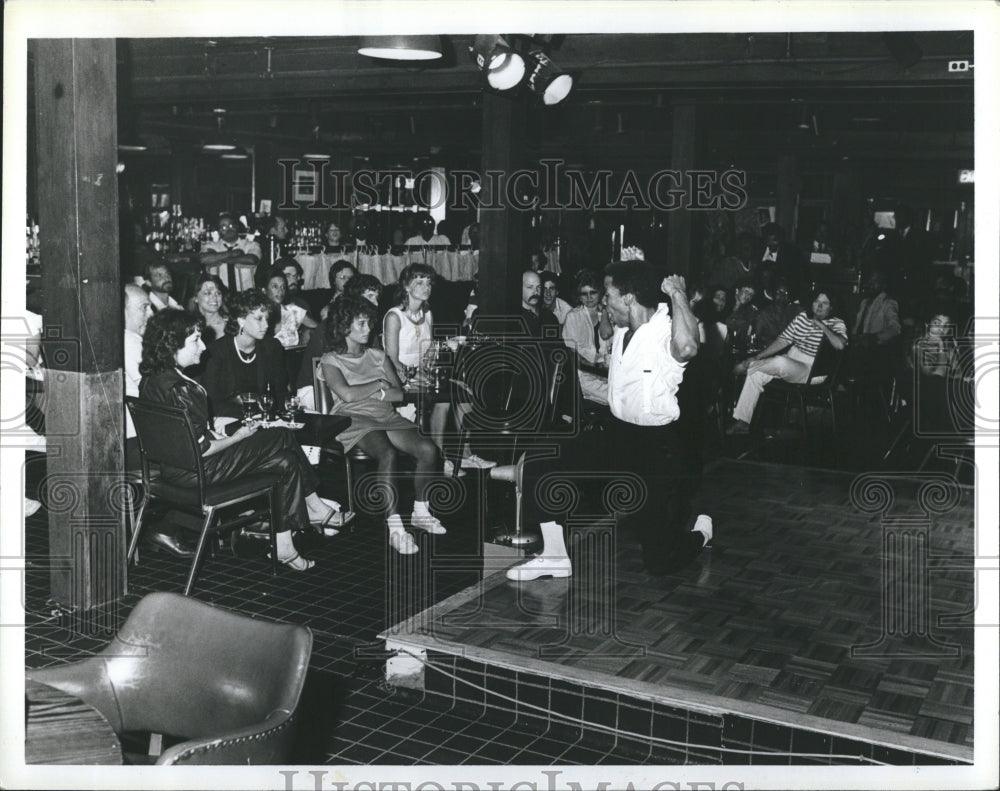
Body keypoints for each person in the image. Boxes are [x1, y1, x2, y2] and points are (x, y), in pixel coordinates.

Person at [505, 260, 713, 580]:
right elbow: (608, 322)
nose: (603, 302)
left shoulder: (664, 330)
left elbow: (687, 346)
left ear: (629, 298)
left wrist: (677, 293)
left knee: (660, 563)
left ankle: (700, 533)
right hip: (617, 434)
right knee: (539, 461)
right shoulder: (622, 327)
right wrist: (633, 266)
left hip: (656, 446)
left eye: (609, 296)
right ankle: (554, 556)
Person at [138, 310, 343, 572]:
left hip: (173, 470)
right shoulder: (185, 389)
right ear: (172, 344)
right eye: (195, 340)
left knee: (285, 461)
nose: (203, 347)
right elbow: (202, 449)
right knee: (280, 435)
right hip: (199, 474)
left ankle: (284, 545)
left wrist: (219, 435)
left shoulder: (152, 380)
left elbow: (181, 439)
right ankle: (314, 505)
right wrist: (239, 436)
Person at [320, 297, 447, 555]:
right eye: (362, 324)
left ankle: (420, 512)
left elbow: (399, 394)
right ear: (345, 327)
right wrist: (379, 385)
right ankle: (396, 529)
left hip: (385, 415)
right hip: (352, 418)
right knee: (387, 453)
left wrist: (377, 392)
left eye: (369, 323)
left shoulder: (378, 355)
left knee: (428, 450)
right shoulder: (331, 359)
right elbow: (348, 395)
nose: (368, 329)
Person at [383, 264, 494, 473]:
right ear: (406, 287)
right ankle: (441, 459)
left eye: (428, 283)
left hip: (420, 374)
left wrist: (447, 344)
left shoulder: (428, 314)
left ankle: (466, 454)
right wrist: (414, 375)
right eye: (419, 282)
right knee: (443, 399)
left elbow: (427, 353)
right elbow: (390, 360)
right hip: (396, 377)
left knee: (464, 391)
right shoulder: (394, 316)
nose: (426, 287)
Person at [124, 284, 194, 557]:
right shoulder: (131, 343)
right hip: (136, 444)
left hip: (137, 439)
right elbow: (163, 392)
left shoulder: (127, 340)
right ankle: (166, 525)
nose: (150, 313)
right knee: (196, 456)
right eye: (143, 307)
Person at [727, 290, 848, 434]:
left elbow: (840, 345)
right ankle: (743, 423)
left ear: (832, 307)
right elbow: (783, 340)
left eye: (825, 303)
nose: (819, 306)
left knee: (780, 361)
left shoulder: (837, 322)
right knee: (757, 374)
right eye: (816, 301)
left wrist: (820, 324)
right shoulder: (802, 317)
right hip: (792, 362)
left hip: (813, 371)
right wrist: (757, 357)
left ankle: (747, 366)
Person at [202, 289, 288, 420]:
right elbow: (211, 402)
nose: (265, 325)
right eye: (259, 319)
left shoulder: (272, 347)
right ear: (241, 320)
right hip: (229, 419)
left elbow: (280, 393)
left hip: (265, 419)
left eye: (266, 318)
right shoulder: (216, 352)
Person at [561, 269, 610, 405]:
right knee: (616, 396)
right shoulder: (573, 316)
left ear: (600, 292)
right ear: (579, 296)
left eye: (593, 292)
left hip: (606, 374)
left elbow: (607, 336)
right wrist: (593, 365)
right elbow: (570, 353)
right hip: (582, 377)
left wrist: (605, 310)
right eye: (584, 294)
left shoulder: (608, 314)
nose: (589, 297)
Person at [199, 212, 261, 291]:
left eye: (231, 225)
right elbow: (203, 259)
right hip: (219, 297)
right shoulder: (211, 246)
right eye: (223, 227)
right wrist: (231, 253)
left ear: (237, 226)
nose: (228, 229)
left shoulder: (250, 245)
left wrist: (218, 258)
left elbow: (252, 259)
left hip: (246, 297)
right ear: (218, 230)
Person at [262, 267, 315, 348]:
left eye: (283, 287)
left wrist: (306, 335)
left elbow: (320, 328)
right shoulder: (257, 316)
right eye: (275, 286)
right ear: (264, 290)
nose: (280, 291)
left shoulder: (292, 311)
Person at [189, 272, 228, 344]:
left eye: (218, 293)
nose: (214, 297)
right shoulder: (190, 326)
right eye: (207, 293)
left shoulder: (230, 325)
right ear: (195, 298)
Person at [520, 270, 561, 338]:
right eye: (530, 287)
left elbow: (560, 346)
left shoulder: (550, 317)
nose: (536, 292)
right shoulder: (515, 319)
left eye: (539, 287)